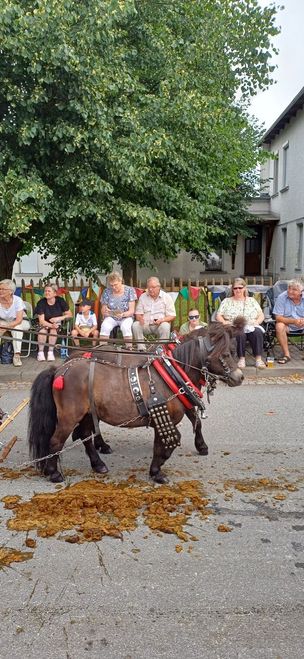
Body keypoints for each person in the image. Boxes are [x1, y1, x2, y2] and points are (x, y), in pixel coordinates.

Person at [216, 277, 266, 369]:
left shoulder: (252, 300)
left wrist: (257, 322)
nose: (238, 290)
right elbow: (218, 315)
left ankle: (258, 359)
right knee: (240, 334)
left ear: (245, 289)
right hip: (234, 326)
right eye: (235, 288)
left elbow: (261, 314)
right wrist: (224, 322)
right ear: (232, 290)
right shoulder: (227, 301)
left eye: (240, 288)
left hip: (251, 325)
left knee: (257, 333)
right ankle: (241, 359)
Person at [132, 276, 176, 350]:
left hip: (159, 325)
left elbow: (172, 315)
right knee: (135, 325)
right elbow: (138, 314)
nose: (150, 289)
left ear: (158, 287)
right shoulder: (143, 296)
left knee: (166, 326)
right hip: (145, 324)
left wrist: (162, 320)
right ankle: (141, 349)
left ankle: (160, 350)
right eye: (149, 287)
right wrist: (140, 318)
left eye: (153, 287)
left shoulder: (166, 297)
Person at [35, 284, 72, 361]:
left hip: (56, 323)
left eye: (49, 291)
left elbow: (70, 315)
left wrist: (59, 318)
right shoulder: (41, 303)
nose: (46, 292)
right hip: (44, 323)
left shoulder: (60, 301)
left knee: (53, 331)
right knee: (42, 331)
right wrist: (51, 325)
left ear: (55, 293)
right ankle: (40, 353)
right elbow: (41, 321)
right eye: (45, 291)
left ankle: (50, 352)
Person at [99, 272, 137, 349]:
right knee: (105, 326)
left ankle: (129, 349)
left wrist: (122, 315)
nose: (113, 287)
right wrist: (105, 310)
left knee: (125, 327)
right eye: (111, 285)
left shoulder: (130, 290)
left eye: (115, 285)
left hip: (126, 316)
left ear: (120, 281)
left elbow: (132, 311)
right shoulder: (107, 291)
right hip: (111, 316)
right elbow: (103, 311)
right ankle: (102, 349)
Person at [273, 279, 304, 364]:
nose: (290, 291)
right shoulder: (282, 297)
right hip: (288, 325)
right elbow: (278, 317)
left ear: (301, 291)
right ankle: (287, 355)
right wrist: (294, 321)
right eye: (289, 288)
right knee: (279, 326)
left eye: (294, 289)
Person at [0, 279, 30, 367]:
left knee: (17, 328)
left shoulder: (17, 300)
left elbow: (19, 320)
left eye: (3, 289)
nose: (0, 291)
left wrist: (6, 327)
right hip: (3, 321)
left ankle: (17, 356)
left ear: (10, 291)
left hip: (20, 321)